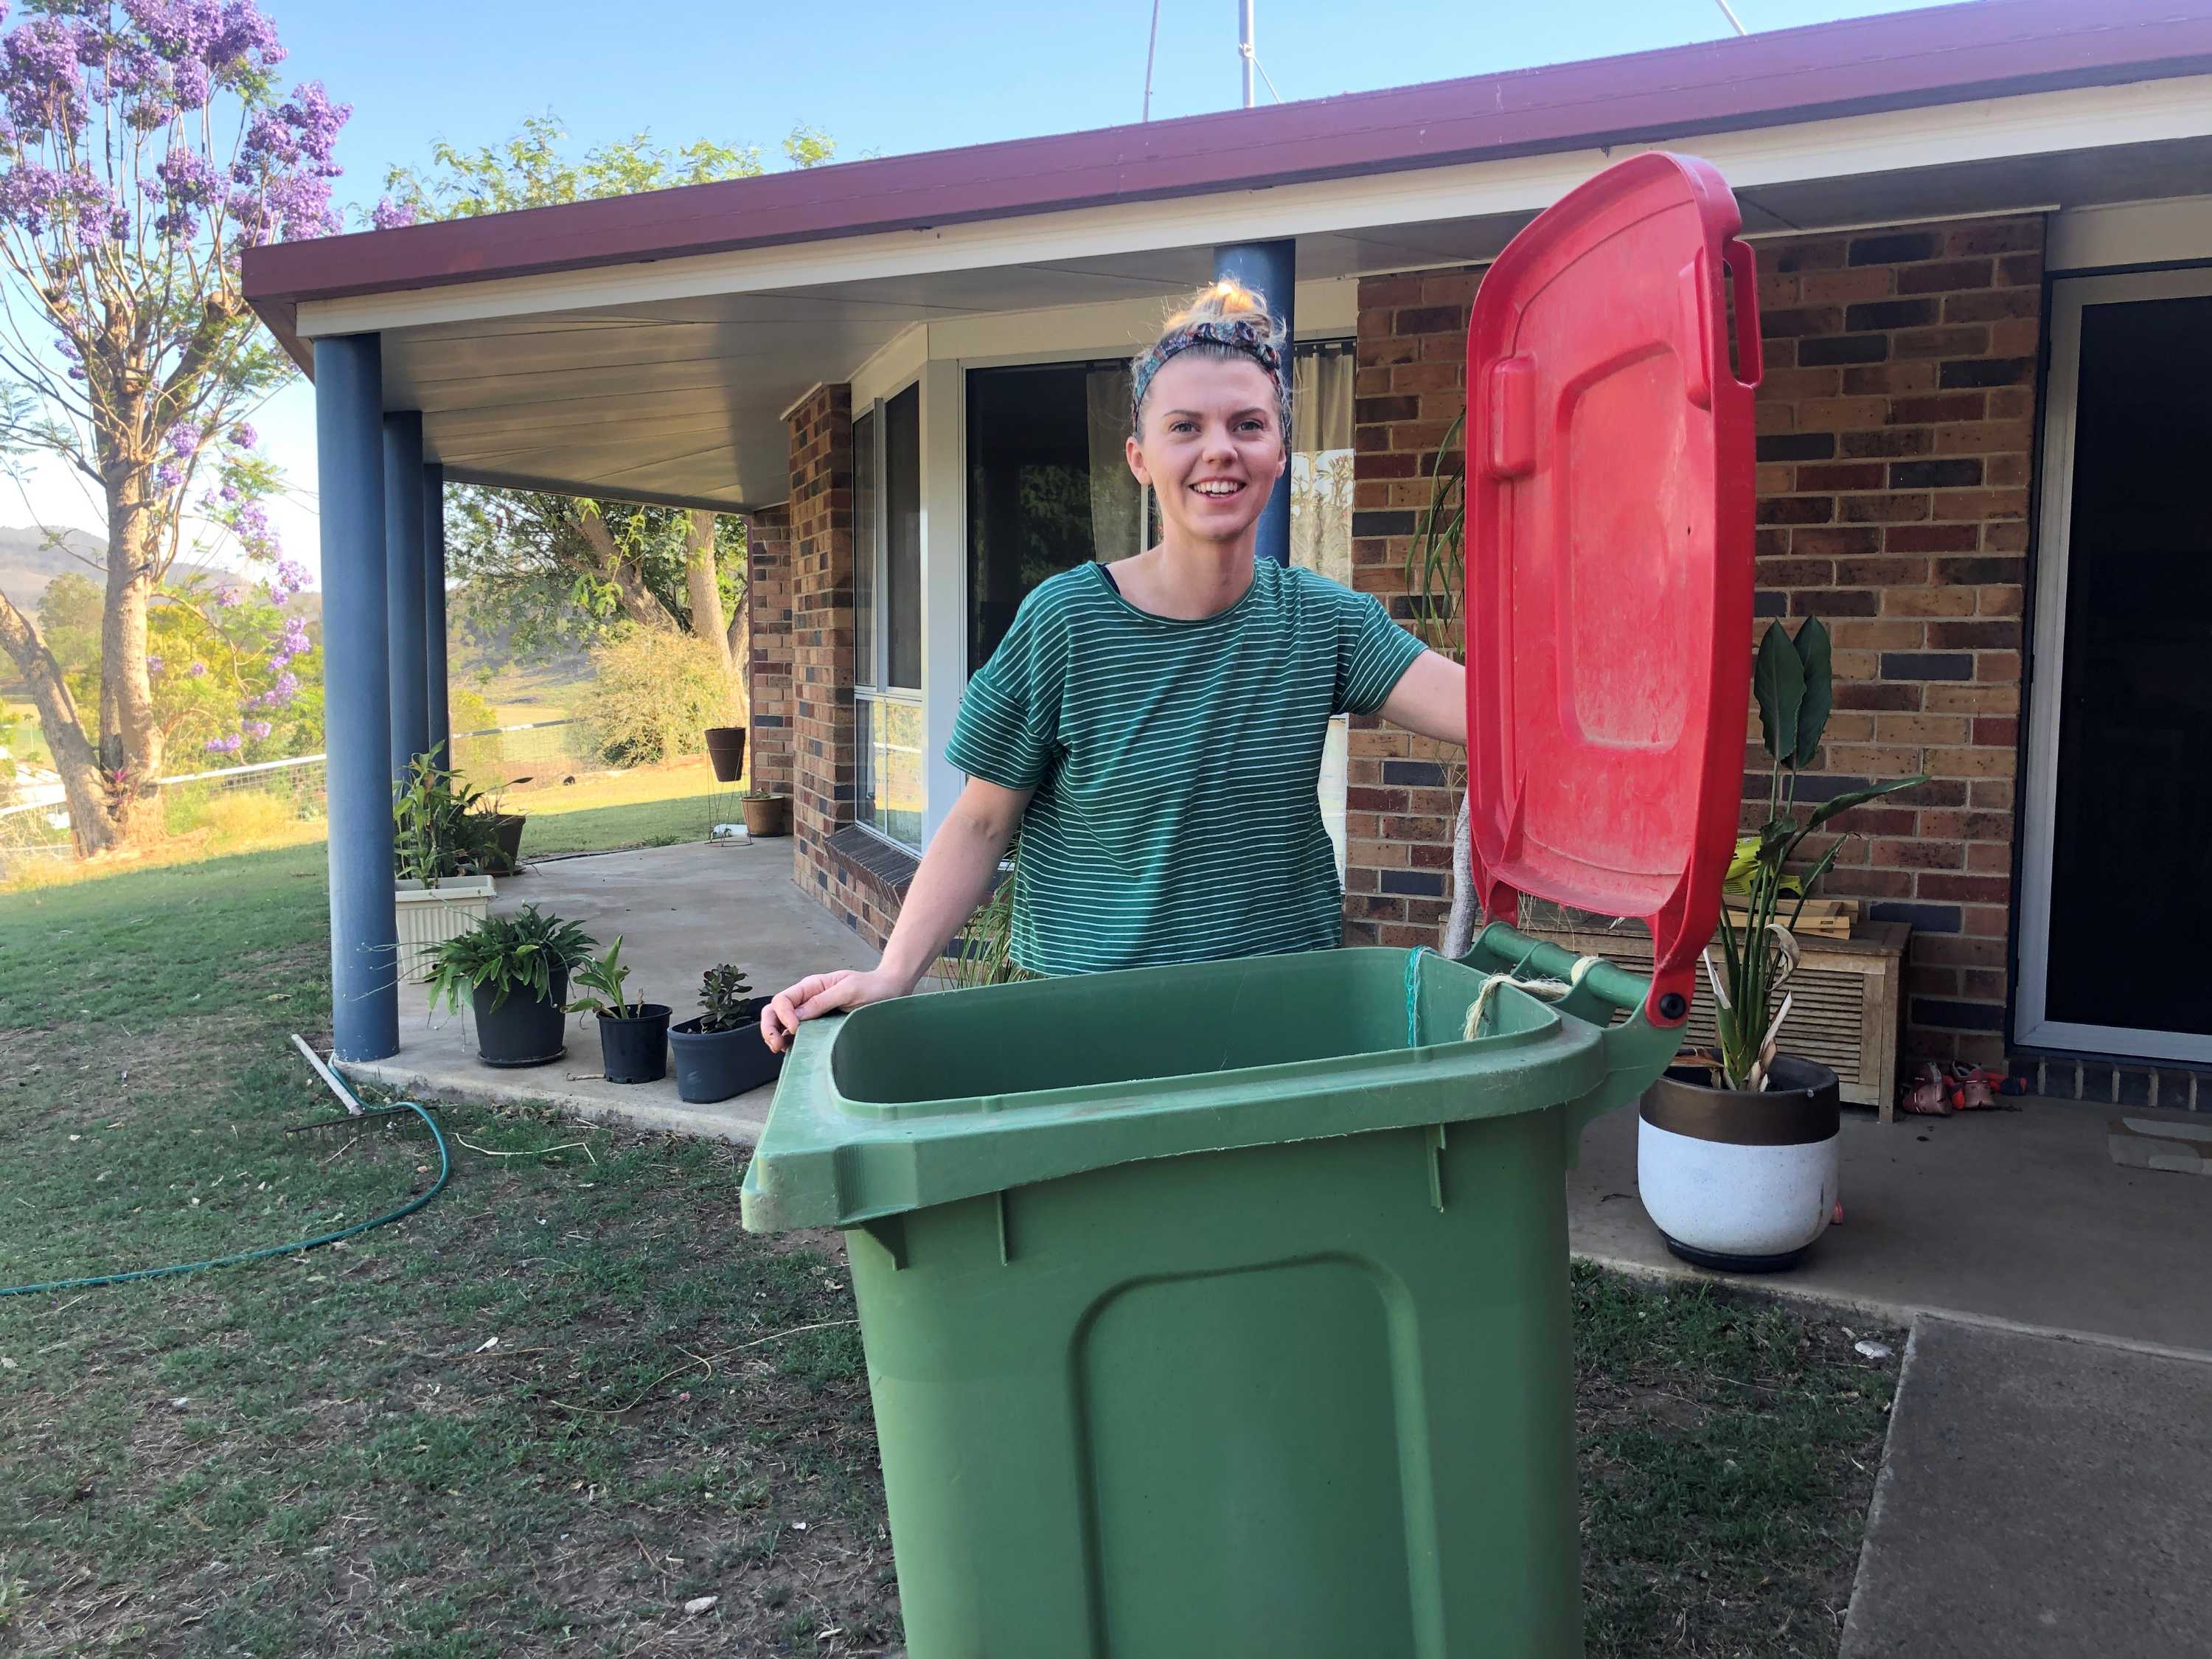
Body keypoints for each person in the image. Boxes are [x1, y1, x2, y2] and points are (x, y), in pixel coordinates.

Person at [761, 279, 1467, 1053]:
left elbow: (1492, 717)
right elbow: (982, 818)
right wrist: (892, 975)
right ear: (1140, 457)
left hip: (1281, 1021)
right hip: (1091, 1027)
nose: (1219, 449)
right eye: (1185, 427)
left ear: (1279, 453)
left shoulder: (1323, 620)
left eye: (1248, 424)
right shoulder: (1068, 622)